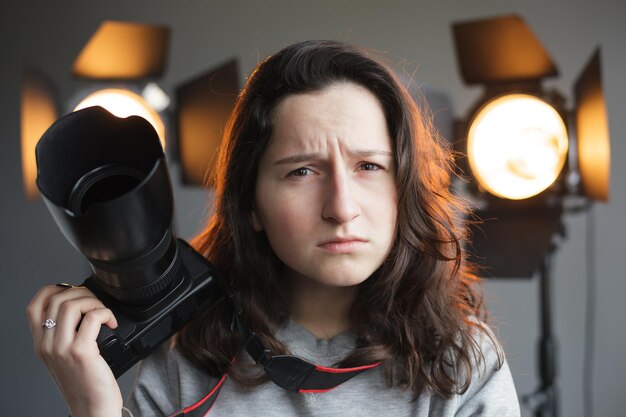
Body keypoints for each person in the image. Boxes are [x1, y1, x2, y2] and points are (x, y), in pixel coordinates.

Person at [27, 40, 520, 416]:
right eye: (301, 171)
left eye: (369, 166)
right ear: (252, 204)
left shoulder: (462, 361)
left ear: (404, 187)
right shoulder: (190, 358)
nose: (341, 208)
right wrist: (94, 409)